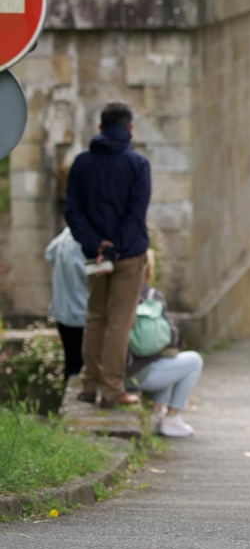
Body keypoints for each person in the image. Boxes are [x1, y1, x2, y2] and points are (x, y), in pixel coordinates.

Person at [64, 101, 151, 408]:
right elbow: (135, 214)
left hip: (96, 257)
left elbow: (72, 211)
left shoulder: (82, 163)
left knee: (95, 317)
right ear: (130, 129)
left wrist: (96, 245)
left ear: (100, 128)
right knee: (119, 322)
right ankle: (112, 389)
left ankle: (89, 384)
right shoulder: (138, 165)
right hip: (128, 256)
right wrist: (115, 248)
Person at [125, 250, 203, 436]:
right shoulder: (151, 296)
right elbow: (173, 338)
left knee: (164, 361)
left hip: (114, 376)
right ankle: (172, 417)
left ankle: (157, 412)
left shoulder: (114, 295)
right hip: (138, 374)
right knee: (193, 361)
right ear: (148, 270)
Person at [44, 226, 88, 382]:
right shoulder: (87, 240)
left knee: (71, 363)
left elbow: (49, 254)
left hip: (63, 311)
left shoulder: (66, 236)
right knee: (84, 364)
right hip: (82, 313)